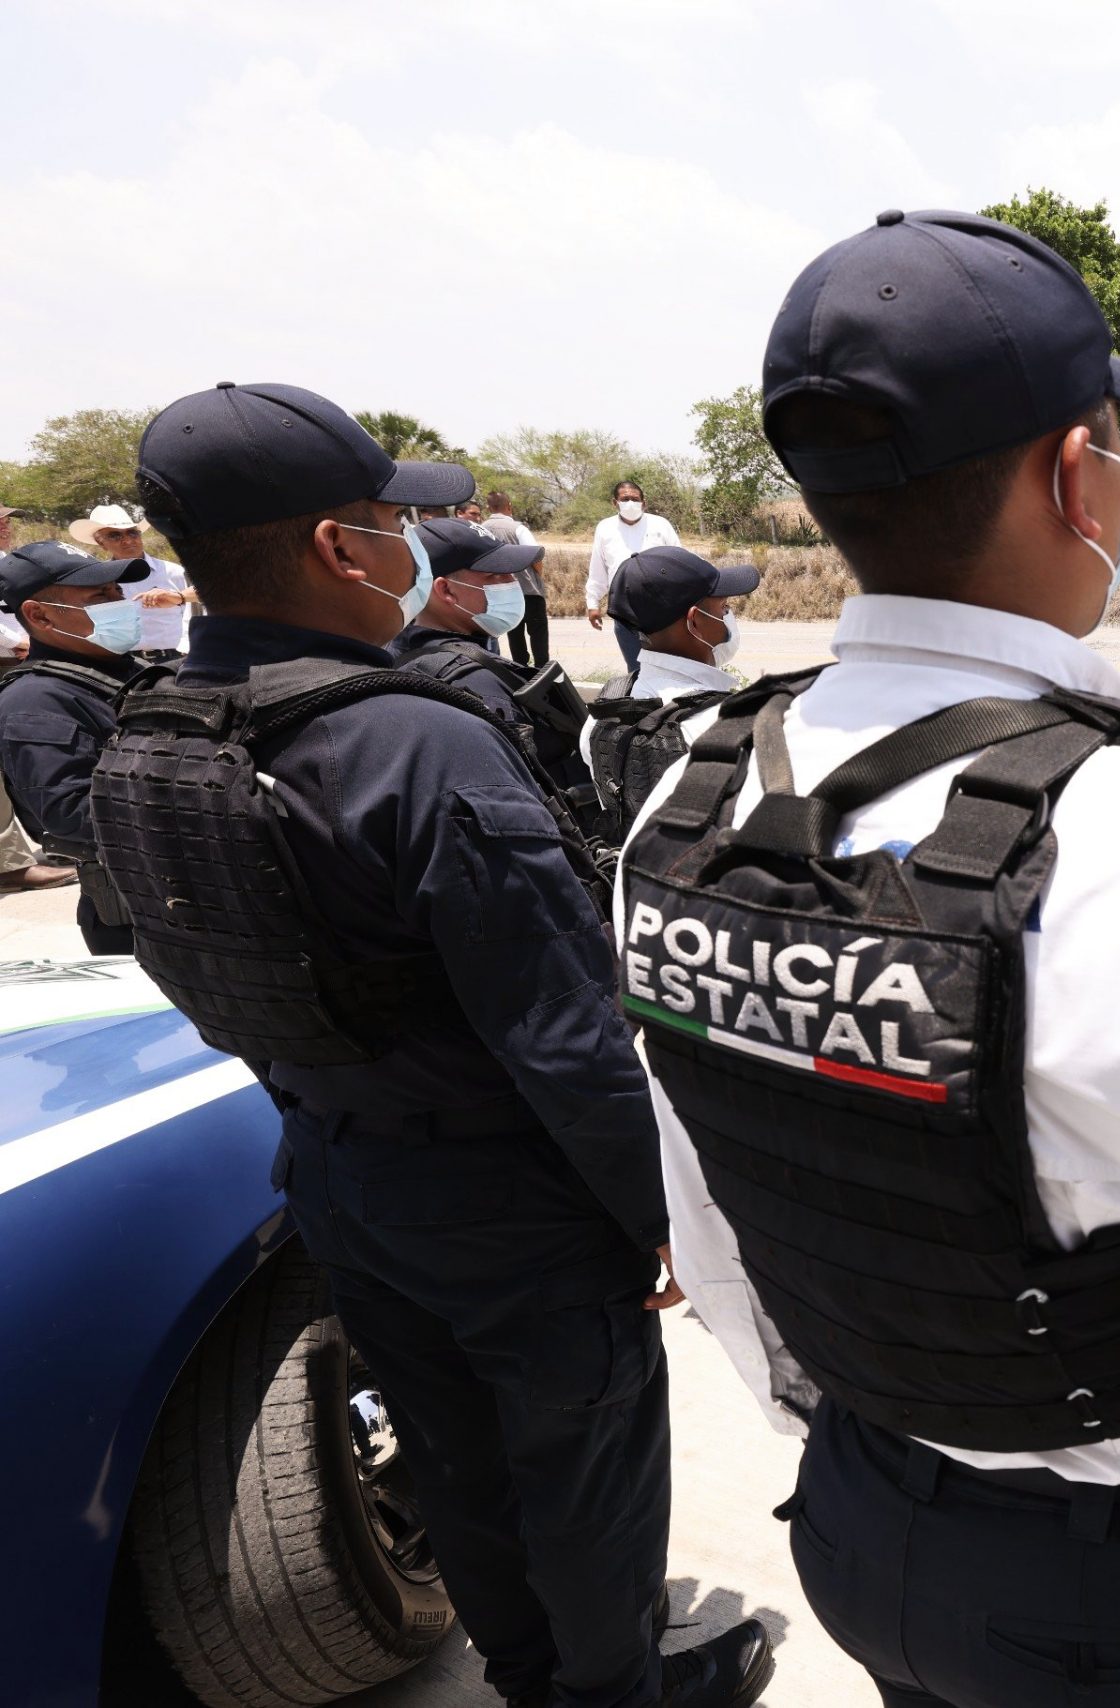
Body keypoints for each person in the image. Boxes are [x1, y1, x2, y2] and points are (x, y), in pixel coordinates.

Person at [629, 209, 1120, 1708]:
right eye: (1116, 453)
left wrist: (855, 1434)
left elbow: (722, 1213)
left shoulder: (692, 797)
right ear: (1081, 480)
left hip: (869, 1530)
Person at [94, 381, 772, 1708]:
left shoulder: (151, 736)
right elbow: (567, 1036)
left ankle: (525, 1674)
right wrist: (665, 1217)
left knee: (456, 1463)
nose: (417, 543)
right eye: (395, 522)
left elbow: (158, 947)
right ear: (345, 550)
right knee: (582, 1474)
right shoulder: (416, 745)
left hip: (340, 1180)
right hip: (510, 1201)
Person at [385, 516, 598, 809]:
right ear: (445, 590)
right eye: (495, 576)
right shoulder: (476, 683)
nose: (512, 583)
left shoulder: (396, 653)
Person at [0, 540, 151, 943]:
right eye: (99, 595)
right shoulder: (35, 701)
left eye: (117, 592)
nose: (119, 602)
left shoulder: (133, 670)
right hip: (138, 916)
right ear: (40, 615)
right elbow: (72, 815)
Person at [583, 545, 757, 840]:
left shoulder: (602, 713)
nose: (729, 615)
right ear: (695, 621)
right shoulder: (723, 726)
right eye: (723, 607)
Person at [0, 505, 74, 894]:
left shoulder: (8, 562)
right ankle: (8, 865)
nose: (4, 526)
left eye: (5, 519)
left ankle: (57, 839)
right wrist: (17, 641)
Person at [70, 501, 193, 661]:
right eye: (115, 535)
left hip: (176, 660)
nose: (127, 540)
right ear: (101, 542)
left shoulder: (174, 572)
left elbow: (196, 613)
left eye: (132, 533)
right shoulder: (96, 581)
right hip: (122, 664)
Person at [587, 480, 682, 672]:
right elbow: (598, 569)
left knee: (668, 666)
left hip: (661, 607)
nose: (630, 503)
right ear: (615, 503)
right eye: (625, 499)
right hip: (624, 609)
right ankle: (640, 701)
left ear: (644, 503)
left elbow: (679, 563)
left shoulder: (660, 525)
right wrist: (592, 604)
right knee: (636, 669)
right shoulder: (605, 528)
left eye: (635, 499)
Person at [481, 489, 552, 668]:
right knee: (538, 635)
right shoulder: (518, 528)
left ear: (488, 507)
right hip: (529, 591)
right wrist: (539, 577)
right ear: (509, 507)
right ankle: (541, 672)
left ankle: (519, 671)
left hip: (501, 592)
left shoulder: (482, 529)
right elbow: (536, 556)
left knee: (514, 634)